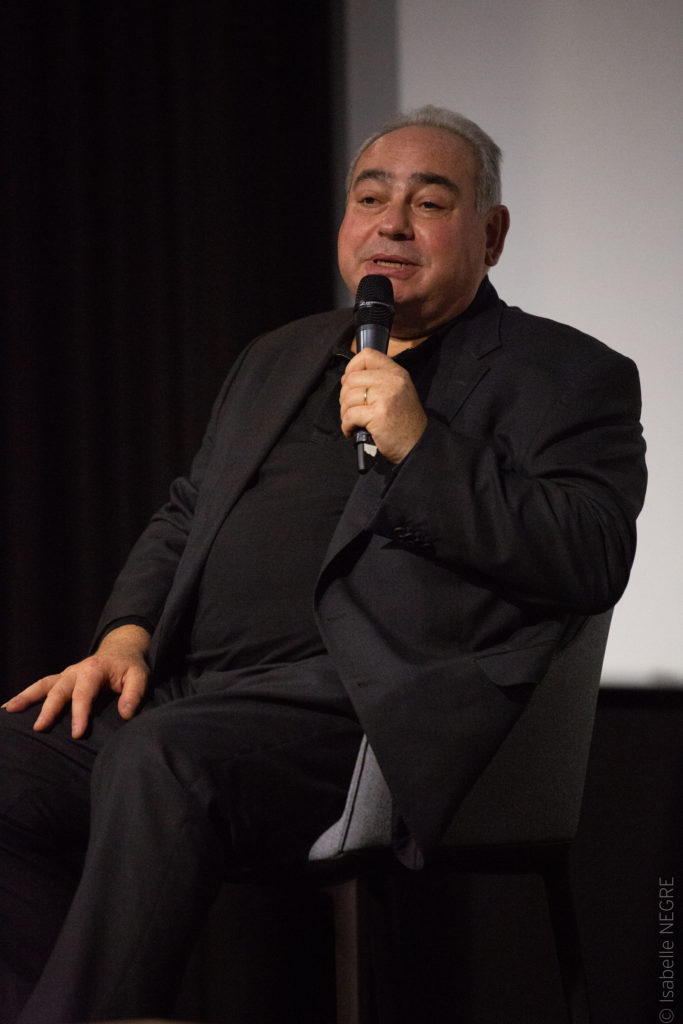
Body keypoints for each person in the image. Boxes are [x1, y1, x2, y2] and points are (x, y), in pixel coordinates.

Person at [0, 105, 647, 1023]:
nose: (391, 224)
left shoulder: (564, 373)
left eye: (429, 203)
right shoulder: (279, 355)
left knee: (162, 759)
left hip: (363, 712)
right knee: (12, 767)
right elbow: (188, 510)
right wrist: (126, 634)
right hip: (195, 692)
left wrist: (421, 449)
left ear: (491, 235)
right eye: (370, 199)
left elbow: (589, 553)